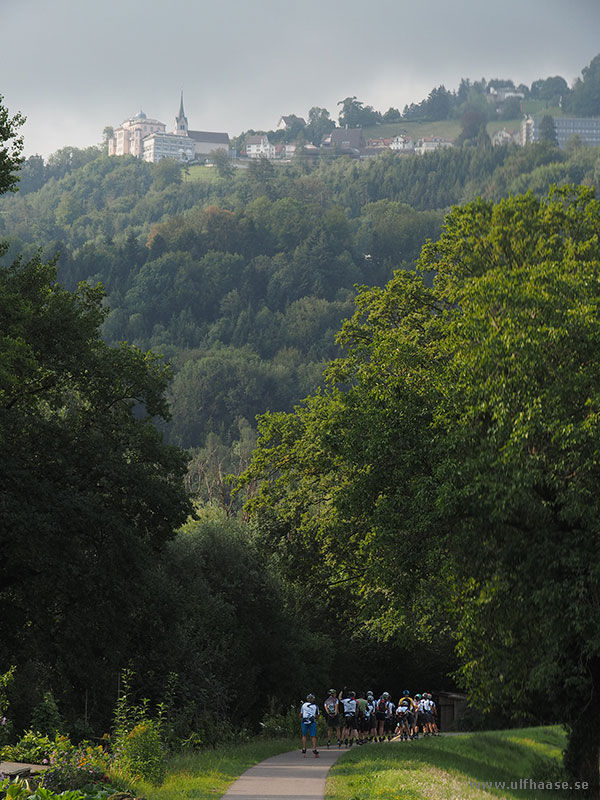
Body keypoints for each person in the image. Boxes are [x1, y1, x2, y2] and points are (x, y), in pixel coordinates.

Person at [300, 693, 319, 757]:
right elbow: (317, 716)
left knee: (304, 735)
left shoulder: (303, 705)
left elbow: (300, 714)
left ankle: (304, 748)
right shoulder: (315, 706)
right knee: (313, 736)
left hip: (304, 721)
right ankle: (314, 749)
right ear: (313, 699)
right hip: (312, 721)